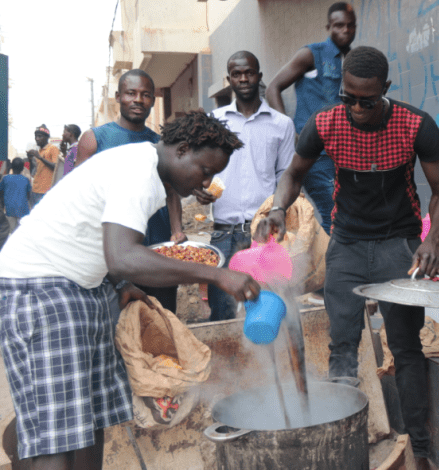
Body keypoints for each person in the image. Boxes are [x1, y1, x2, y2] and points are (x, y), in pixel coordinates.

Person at [0, 111, 260, 470]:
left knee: (89, 421)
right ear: (182, 149)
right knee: (56, 435)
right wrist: (215, 276)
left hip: (82, 287)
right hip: (41, 288)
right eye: (205, 170)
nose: (208, 180)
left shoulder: (151, 170)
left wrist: (121, 285)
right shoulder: (137, 171)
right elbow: (122, 256)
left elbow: (102, 241)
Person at [256, 46, 439, 469]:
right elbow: (293, 173)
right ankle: (343, 450)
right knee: (341, 348)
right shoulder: (325, 123)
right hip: (345, 244)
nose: (358, 108)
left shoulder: (416, 124)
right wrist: (277, 208)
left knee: (405, 346)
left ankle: (421, 451)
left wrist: (431, 240)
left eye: (368, 99)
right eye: (350, 98)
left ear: (385, 89)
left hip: (397, 246)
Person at [194, 51, 295, 321]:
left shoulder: (281, 124)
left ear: (259, 76)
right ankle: (228, 364)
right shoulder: (214, 122)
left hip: (264, 232)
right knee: (223, 314)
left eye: (249, 73)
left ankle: (272, 364)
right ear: (229, 80)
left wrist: (279, 210)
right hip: (223, 234)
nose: (243, 78)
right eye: (236, 74)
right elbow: (201, 169)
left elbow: (287, 174)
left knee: (271, 308)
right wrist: (199, 187)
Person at [75, 69, 185, 314]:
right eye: (131, 93)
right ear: (118, 96)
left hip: (157, 253)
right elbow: (80, 199)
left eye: (145, 95)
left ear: (152, 101)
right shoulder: (94, 140)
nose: (138, 100)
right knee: (121, 333)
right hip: (115, 260)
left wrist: (177, 230)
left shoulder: (161, 144)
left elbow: (171, 193)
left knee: (163, 326)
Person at [266, 2, 357, 235]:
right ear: (328, 27)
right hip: (315, 154)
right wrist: (290, 131)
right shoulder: (311, 54)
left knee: (347, 213)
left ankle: (335, 266)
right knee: (333, 213)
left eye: (350, 25)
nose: (345, 30)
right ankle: (334, 269)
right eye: (338, 25)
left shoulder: (354, 60)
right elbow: (273, 88)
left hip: (344, 151)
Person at [26, 125, 58, 207]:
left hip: (46, 191)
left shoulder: (53, 148)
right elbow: (33, 172)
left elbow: (55, 167)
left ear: (47, 137)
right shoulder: (39, 151)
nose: (37, 138)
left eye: (39, 136)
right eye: (36, 136)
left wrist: (40, 157)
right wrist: (30, 159)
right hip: (35, 189)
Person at [0, 158, 31, 233]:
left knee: (11, 231)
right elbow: (28, 195)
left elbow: (1, 193)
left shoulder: (5, 178)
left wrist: (3, 205)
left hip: (10, 209)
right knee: (22, 232)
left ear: (11, 167)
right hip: (23, 209)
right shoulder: (25, 179)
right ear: (22, 168)